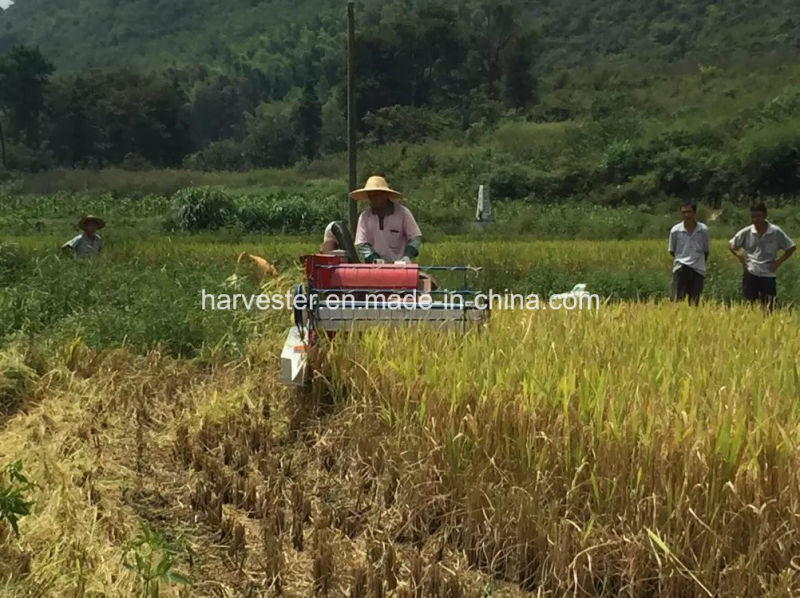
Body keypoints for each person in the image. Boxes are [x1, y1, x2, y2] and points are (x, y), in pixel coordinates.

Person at [729, 202, 796, 309]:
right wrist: (739, 255)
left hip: (768, 274)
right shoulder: (747, 232)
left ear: (765, 216)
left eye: (758, 216)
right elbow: (731, 245)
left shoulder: (775, 232)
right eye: (753, 217)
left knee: (769, 306)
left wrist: (778, 261)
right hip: (751, 272)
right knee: (749, 306)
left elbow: (791, 247)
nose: (756, 220)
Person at [351, 175, 421, 264]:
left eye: (377, 194)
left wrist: (407, 256)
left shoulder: (403, 213)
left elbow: (415, 238)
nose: (373, 198)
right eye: (370, 195)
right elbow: (362, 243)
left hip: (400, 265)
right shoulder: (364, 217)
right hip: (374, 267)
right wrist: (374, 258)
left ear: (385, 195)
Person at [668, 202, 709, 305]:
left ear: (694, 213)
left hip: (698, 269)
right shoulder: (675, 230)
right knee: (677, 300)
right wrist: (683, 260)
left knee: (695, 302)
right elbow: (672, 250)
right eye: (684, 212)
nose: (686, 215)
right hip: (681, 267)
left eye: (689, 212)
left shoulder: (703, 230)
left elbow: (706, 250)